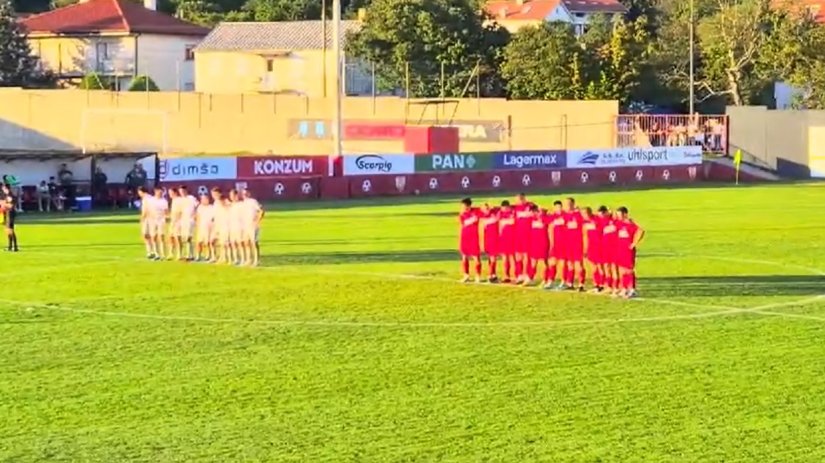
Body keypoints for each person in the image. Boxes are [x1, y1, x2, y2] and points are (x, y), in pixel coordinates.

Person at [615, 206, 644, 298]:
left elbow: (641, 231)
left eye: (620, 215)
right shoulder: (619, 223)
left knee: (629, 269)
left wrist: (634, 243)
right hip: (620, 249)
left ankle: (632, 289)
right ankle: (624, 288)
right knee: (622, 270)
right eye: (618, 215)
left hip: (628, 250)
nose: (619, 216)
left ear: (625, 214)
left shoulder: (630, 224)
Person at [561, 197, 585, 291]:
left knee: (579, 264)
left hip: (577, 243)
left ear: (573, 204)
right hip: (567, 243)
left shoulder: (578, 215)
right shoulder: (564, 215)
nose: (567, 206)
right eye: (566, 204)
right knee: (570, 264)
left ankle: (581, 284)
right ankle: (570, 283)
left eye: (569, 204)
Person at [526, 205, 552, 287]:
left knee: (545, 262)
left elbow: (551, 219)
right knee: (533, 261)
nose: (530, 214)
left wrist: (544, 212)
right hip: (534, 243)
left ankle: (546, 279)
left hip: (544, 242)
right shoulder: (531, 219)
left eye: (531, 212)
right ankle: (531, 278)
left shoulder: (545, 218)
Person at [458, 197, 482, 283]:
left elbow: (485, 210)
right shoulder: (462, 215)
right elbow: (463, 223)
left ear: (468, 206)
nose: (462, 208)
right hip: (464, 237)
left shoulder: (476, 211)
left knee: (476, 257)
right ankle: (466, 275)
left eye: (463, 206)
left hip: (474, 238)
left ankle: (478, 276)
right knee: (464, 257)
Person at [582, 206, 606, 292]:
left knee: (600, 266)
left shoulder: (597, 219)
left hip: (599, 246)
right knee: (593, 267)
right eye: (583, 214)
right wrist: (585, 248)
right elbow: (585, 235)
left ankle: (602, 284)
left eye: (585, 213)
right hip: (591, 246)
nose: (584, 215)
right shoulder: (585, 223)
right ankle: (596, 284)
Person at [512, 193, 534, 283]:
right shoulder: (514, 208)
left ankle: (526, 274)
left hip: (528, 234)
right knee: (518, 255)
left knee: (526, 255)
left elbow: (542, 211)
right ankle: (519, 275)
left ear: (524, 198)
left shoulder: (531, 206)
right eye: (517, 199)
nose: (519, 201)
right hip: (517, 234)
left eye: (521, 199)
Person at [241, 189, 264, 267]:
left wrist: (258, 220)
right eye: (243, 193)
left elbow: (261, 210)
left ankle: (256, 260)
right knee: (246, 242)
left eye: (246, 193)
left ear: (249, 193)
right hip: (245, 225)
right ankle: (248, 259)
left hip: (252, 225)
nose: (244, 195)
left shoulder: (253, 201)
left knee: (254, 242)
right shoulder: (243, 203)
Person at [497, 200, 516, 283]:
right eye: (503, 207)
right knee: (505, 258)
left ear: (509, 207)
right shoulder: (500, 214)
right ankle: (506, 275)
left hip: (512, 238)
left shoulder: (513, 213)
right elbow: (499, 227)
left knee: (512, 257)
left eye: (506, 207)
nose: (505, 209)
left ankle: (516, 276)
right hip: (503, 238)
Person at [601, 209, 620, 295]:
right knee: (606, 267)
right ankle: (609, 286)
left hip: (615, 248)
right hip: (605, 248)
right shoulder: (603, 222)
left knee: (614, 268)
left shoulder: (618, 223)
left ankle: (616, 287)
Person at [547, 200, 565, 288]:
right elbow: (550, 230)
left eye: (559, 207)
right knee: (552, 263)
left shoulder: (565, 216)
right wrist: (551, 243)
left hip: (564, 243)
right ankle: (551, 280)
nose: (558, 209)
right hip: (555, 243)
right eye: (556, 207)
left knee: (562, 263)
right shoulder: (552, 217)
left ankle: (564, 281)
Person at [178, 186, 198, 261]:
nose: (182, 193)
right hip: (183, 220)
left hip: (190, 220)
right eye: (180, 191)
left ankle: (190, 255)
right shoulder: (180, 200)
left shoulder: (191, 198)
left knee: (189, 237)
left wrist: (195, 214)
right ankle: (188, 254)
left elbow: (197, 205)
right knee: (184, 238)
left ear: (186, 191)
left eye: (183, 191)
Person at [211, 188, 230, 264]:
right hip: (217, 224)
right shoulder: (215, 202)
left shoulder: (225, 200)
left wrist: (223, 204)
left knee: (223, 242)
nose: (214, 196)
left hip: (224, 224)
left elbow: (229, 208)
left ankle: (224, 257)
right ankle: (219, 256)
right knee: (215, 241)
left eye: (215, 194)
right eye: (212, 194)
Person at [195, 194, 215, 262]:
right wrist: (198, 226)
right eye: (202, 199)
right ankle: (198, 255)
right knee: (199, 242)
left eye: (205, 199)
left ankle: (208, 255)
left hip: (209, 227)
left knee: (207, 242)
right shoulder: (200, 207)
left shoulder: (212, 207)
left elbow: (213, 218)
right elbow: (198, 217)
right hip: (201, 227)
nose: (203, 200)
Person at [150, 187, 168, 260]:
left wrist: (165, 218)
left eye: (161, 192)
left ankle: (163, 254)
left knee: (161, 236)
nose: (160, 193)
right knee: (153, 236)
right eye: (158, 192)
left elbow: (166, 211)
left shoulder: (163, 201)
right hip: (152, 220)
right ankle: (156, 253)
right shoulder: (151, 200)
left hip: (161, 220)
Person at [137, 187, 156, 259]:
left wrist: (142, 219)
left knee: (146, 235)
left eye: (139, 192)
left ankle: (150, 252)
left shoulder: (146, 199)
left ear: (141, 191)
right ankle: (152, 251)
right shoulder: (151, 197)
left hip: (148, 219)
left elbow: (145, 210)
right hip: (152, 218)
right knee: (150, 235)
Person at [228, 189, 245, 265]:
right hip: (232, 226)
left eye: (232, 195)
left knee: (240, 243)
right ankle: (235, 259)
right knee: (233, 243)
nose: (231, 197)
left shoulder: (241, 204)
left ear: (236, 195)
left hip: (239, 226)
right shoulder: (230, 205)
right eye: (230, 196)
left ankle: (243, 259)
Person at [1, 184, 19, 252]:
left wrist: (3, 204)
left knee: (11, 230)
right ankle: (10, 246)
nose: (3, 190)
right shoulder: (8, 196)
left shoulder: (10, 196)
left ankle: (15, 247)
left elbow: (11, 205)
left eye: (4, 189)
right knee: (8, 230)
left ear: (7, 189)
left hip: (11, 213)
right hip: (8, 213)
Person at [167, 188, 182, 260]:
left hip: (178, 222)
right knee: (171, 237)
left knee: (177, 237)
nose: (170, 194)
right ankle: (171, 253)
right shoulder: (173, 200)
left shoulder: (178, 200)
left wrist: (176, 219)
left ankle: (179, 254)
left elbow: (179, 211)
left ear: (175, 192)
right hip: (173, 221)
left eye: (171, 193)